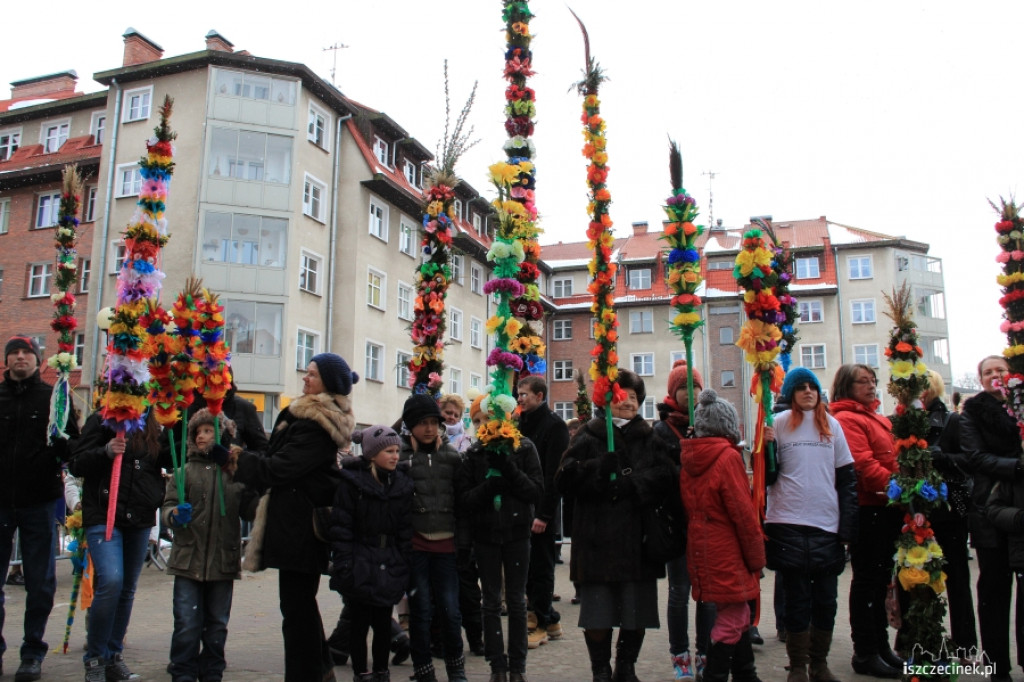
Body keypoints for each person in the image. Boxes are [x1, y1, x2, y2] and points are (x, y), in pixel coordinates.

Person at [235, 352, 357, 682]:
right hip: (294, 523)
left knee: (297, 609)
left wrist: (235, 458)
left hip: (301, 526)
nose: (305, 377)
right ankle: (321, 669)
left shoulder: (317, 423)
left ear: (327, 384)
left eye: (313, 374)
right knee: (299, 605)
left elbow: (280, 468)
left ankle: (305, 675)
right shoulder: (306, 417)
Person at [555, 369, 677, 682]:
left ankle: (626, 666)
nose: (628, 404)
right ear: (609, 399)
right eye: (622, 397)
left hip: (637, 539)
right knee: (598, 611)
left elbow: (668, 477)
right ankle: (600, 669)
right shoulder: (588, 433)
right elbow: (563, 479)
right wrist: (595, 468)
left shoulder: (650, 437)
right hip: (596, 539)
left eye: (634, 398)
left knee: (635, 611)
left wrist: (635, 485)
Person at [763, 368, 857, 682]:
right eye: (800, 388)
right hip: (787, 522)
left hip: (825, 525)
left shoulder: (833, 426)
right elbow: (768, 477)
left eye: (812, 387)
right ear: (790, 393)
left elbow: (847, 481)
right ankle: (798, 665)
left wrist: (847, 529)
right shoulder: (776, 424)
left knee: (826, 600)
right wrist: (767, 449)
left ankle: (820, 663)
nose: (807, 392)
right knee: (796, 599)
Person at [0, 335, 80, 682]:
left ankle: (32, 651)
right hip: (0, 501)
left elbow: (73, 446)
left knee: (41, 583)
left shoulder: (52, 398)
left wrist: (64, 447)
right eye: (14, 353)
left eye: (26, 353)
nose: (20, 358)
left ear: (38, 360)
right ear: (6, 361)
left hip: (39, 501)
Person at [70, 405, 169, 682]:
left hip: (139, 514)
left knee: (126, 588)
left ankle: (114, 655)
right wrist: (105, 452)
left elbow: (169, 459)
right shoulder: (102, 419)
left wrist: (178, 425)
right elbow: (76, 462)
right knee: (111, 580)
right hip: (104, 513)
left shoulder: (153, 423)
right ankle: (95, 658)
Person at [162, 409, 259, 682]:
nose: (203, 436)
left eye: (209, 431)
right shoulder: (183, 472)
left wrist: (259, 499)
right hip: (187, 560)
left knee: (217, 624)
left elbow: (249, 508)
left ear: (222, 435)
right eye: (199, 432)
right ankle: (182, 669)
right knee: (186, 622)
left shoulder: (233, 473)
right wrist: (173, 516)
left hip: (222, 560)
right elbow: (167, 507)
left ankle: (212, 670)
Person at [679, 389, 766, 682]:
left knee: (734, 609)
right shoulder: (728, 457)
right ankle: (715, 674)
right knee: (735, 615)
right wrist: (756, 557)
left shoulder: (691, 455)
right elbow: (742, 513)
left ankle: (746, 673)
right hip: (727, 547)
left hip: (703, 544)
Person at [456, 394, 544, 682]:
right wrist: (487, 487)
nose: (491, 422)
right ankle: (497, 666)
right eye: (484, 418)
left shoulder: (524, 447)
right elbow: (465, 499)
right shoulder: (475, 452)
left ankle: (518, 666)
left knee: (517, 601)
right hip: (486, 535)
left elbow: (535, 490)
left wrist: (508, 469)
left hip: (517, 532)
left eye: (497, 416)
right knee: (491, 602)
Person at [829, 364, 901, 678]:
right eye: (863, 382)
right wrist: (898, 486)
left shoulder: (876, 418)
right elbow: (863, 464)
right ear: (846, 386)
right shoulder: (846, 418)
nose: (871, 386)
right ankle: (865, 650)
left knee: (880, 579)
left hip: (886, 507)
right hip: (868, 507)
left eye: (873, 381)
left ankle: (881, 644)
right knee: (867, 580)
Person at [329, 425, 414, 682]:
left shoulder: (401, 485)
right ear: (372, 454)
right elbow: (341, 527)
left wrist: (404, 563)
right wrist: (344, 563)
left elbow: (405, 530)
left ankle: (381, 671)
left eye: (397, 450)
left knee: (381, 621)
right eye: (388, 451)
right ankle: (361, 672)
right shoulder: (352, 483)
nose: (395, 456)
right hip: (359, 561)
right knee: (359, 622)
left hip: (388, 562)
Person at [653, 360, 716, 682]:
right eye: (683, 387)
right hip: (677, 522)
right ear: (672, 392)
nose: (690, 394)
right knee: (679, 592)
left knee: (707, 593)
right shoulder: (662, 429)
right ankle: (680, 655)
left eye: (695, 387)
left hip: (707, 522)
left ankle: (706, 652)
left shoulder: (710, 425)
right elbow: (662, 475)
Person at [398, 394, 466, 682]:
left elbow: (462, 501)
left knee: (451, 611)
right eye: (422, 423)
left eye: (433, 423)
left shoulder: (452, 457)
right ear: (410, 426)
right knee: (421, 611)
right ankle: (423, 669)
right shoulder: (401, 458)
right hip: (416, 547)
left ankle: (456, 669)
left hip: (446, 545)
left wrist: (464, 542)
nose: (429, 429)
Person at [962, 355, 1020, 682]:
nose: (995, 375)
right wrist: (1016, 467)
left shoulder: (1019, 406)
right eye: (988, 372)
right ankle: (998, 665)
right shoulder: (973, 413)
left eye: (1001, 370)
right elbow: (975, 456)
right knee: (995, 592)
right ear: (981, 379)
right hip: (990, 509)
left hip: (1020, 510)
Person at [918, 370, 977, 656]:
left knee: (956, 576)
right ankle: (926, 641)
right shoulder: (909, 422)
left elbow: (968, 460)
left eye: (922, 388)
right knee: (920, 577)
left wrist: (942, 457)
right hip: (919, 510)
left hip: (950, 510)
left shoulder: (953, 420)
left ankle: (965, 642)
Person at [516, 376, 569, 649]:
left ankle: (538, 620)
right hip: (523, 507)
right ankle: (550, 618)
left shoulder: (555, 426)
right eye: (518, 394)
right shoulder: (519, 422)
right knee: (526, 565)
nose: (520, 399)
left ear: (539, 395)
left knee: (542, 565)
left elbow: (554, 475)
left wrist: (545, 515)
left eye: (524, 394)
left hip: (542, 510)